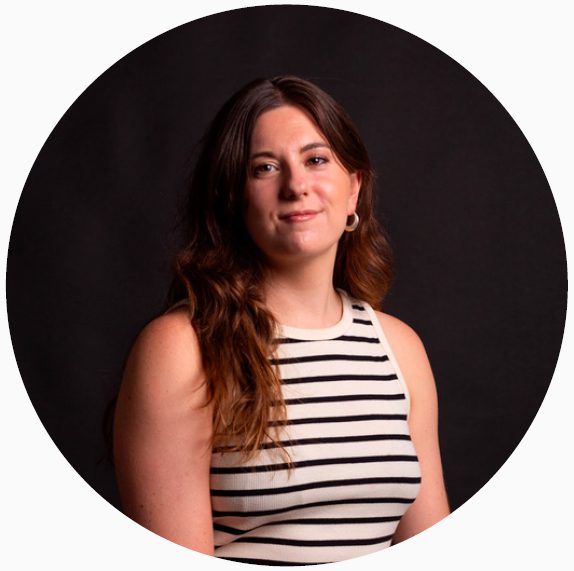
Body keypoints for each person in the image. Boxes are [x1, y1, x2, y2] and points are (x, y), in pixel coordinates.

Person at [112, 75, 450, 565]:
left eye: (316, 160)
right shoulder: (182, 347)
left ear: (353, 190)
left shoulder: (398, 348)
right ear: (233, 198)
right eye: (265, 168)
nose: (296, 186)